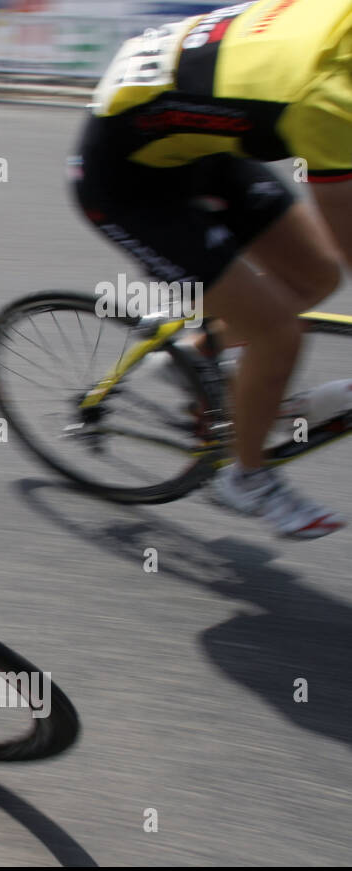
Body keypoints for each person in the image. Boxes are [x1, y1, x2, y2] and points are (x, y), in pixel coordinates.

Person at [73, 0, 352, 539]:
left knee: (318, 277)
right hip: (126, 181)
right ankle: (245, 480)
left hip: (188, 138)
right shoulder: (332, 100)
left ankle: (200, 356)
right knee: (278, 334)